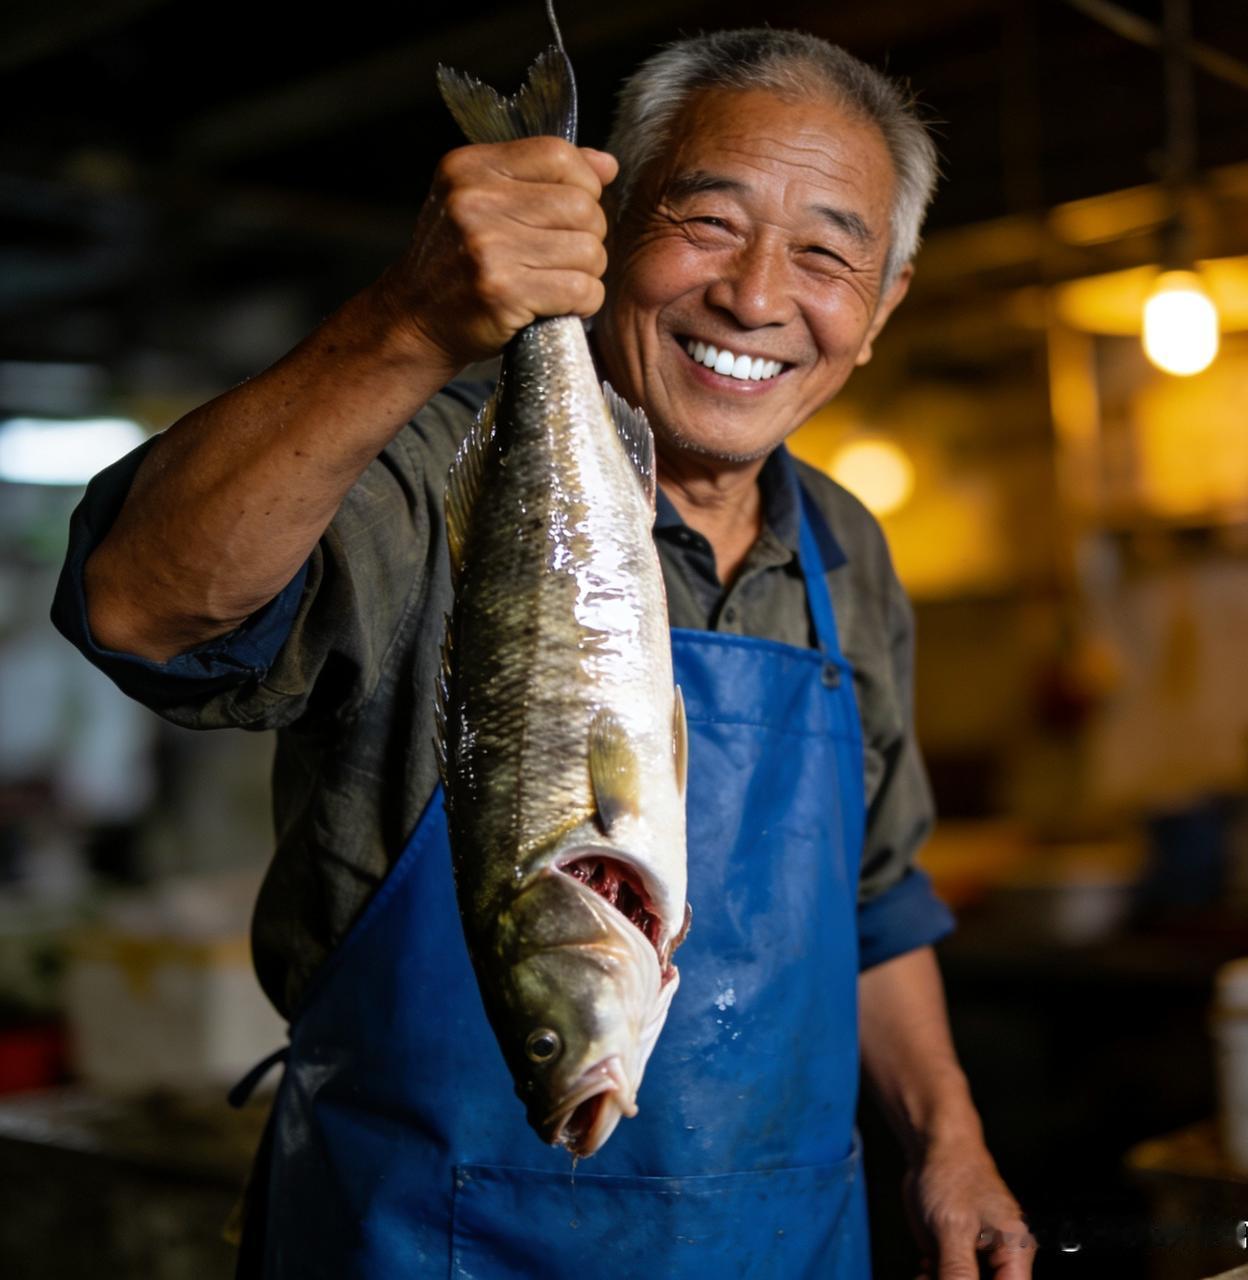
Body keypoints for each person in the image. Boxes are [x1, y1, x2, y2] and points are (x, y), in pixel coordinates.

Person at [53, 25, 1036, 1280]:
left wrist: (946, 1141)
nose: (753, 294)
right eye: (709, 219)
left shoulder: (845, 546)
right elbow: (140, 606)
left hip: (788, 1246)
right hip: (427, 1245)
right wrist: (407, 323)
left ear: (883, 302)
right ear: (610, 226)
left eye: (827, 252)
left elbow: (875, 901)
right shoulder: (421, 475)